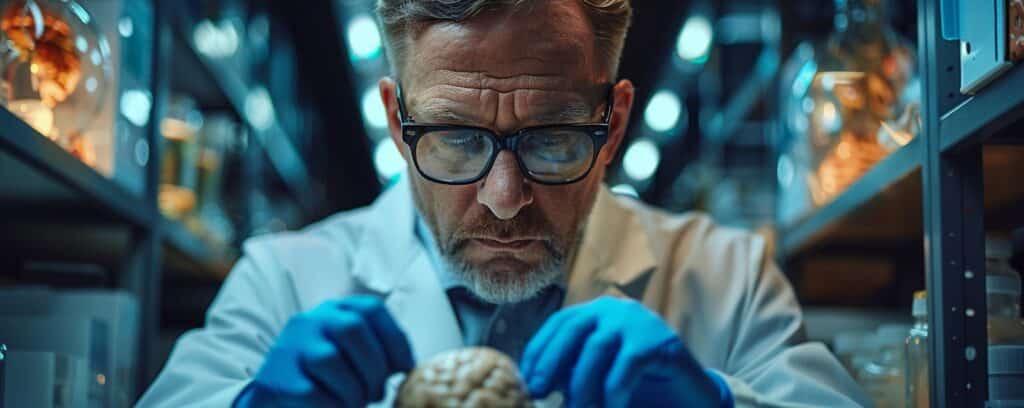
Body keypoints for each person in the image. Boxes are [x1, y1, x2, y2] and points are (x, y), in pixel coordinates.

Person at [138, 0, 869, 406]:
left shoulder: (726, 276)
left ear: (612, 125)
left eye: (552, 138)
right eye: (455, 139)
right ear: (398, 123)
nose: (505, 198)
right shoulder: (282, 280)